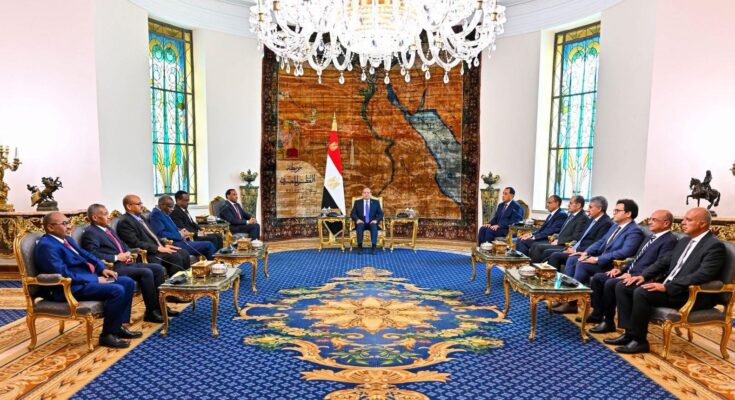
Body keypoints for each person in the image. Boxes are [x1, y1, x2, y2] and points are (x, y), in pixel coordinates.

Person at [605, 208, 726, 354]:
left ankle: (639, 341)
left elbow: (703, 275)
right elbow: (663, 262)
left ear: (702, 223)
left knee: (641, 293)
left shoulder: (714, 246)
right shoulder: (684, 240)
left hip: (687, 293)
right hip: (669, 286)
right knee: (624, 286)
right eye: (684, 219)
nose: (683, 223)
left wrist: (667, 287)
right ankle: (629, 334)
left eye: (688, 220)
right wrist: (643, 276)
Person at [35, 212, 141, 349]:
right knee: (117, 290)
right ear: (50, 227)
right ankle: (107, 335)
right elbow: (62, 274)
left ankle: (117, 327)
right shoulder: (47, 246)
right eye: (65, 223)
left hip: (83, 281)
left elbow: (86, 254)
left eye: (68, 223)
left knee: (127, 282)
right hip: (67, 288)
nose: (69, 226)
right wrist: (95, 279)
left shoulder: (66, 239)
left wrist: (102, 269)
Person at [81, 203, 177, 323]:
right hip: (113, 267)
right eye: (105, 214)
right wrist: (116, 257)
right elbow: (92, 254)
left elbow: (122, 245)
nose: (109, 216)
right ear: (95, 217)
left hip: (126, 263)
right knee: (146, 272)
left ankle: (161, 307)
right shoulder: (91, 233)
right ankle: (151, 312)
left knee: (157, 268)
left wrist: (128, 253)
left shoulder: (108, 229)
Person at [586, 209, 677, 332]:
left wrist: (635, 275)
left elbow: (660, 265)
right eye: (650, 219)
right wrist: (621, 270)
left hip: (643, 277)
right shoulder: (650, 237)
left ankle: (611, 323)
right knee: (598, 278)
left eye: (654, 220)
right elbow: (636, 259)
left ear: (666, 223)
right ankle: (597, 314)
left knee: (611, 283)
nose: (649, 222)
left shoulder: (669, 241)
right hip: (630, 273)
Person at [553, 199, 644, 314]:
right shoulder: (615, 226)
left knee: (582, 264)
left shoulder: (634, 231)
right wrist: (586, 252)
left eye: (617, 210)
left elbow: (625, 252)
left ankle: (572, 303)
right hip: (602, 259)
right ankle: (564, 297)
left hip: (612, 265)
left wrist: (597, 259)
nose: (614, 213)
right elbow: (601, 241)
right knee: (573, 258)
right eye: (614, 210)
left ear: (628, 213)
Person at [116, 194, 191, 276]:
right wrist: (157, 248)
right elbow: (135, 243)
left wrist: (164, 244)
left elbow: (153, 235)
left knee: (184, 252)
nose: (142, 206)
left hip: (156, 248)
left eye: (141, 203)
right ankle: (175, 283)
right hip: (148, 253)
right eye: (139, 204)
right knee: (175, 256)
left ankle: (186, 280)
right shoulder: (125, 222)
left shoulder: (141, 217)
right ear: (129, 206)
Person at [545, 196, 612, 269]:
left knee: (555, 256)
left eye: (590, 207)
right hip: (575, 247)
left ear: (599, 209)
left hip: (585, 252)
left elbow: (596, 244)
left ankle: (555, 276)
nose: (588, 210)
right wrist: (572, 247)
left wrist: (576, 250)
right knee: (548, 253)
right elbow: (581, 238)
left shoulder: (606, 223)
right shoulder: (591, 219)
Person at [150, 195, 216, 260]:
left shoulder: (164, 212)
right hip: (175, 244)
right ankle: (214, 266)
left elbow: (172, 228)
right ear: (162, 205)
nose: (172, 209)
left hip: (182, 241)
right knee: (209, 245)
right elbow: (160, 234)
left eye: (172, 207)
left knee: (211, 242)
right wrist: (179, 235)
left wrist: (182, 231)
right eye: (170, 207)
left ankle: (207, 265)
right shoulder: (156, 215)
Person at [527, 195, 588, 262]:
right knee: (535, 245)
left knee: (539, 247)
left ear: (578, 205)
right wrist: (556, 236)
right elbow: (564, 231)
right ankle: (532, 266)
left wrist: (559, 241)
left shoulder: (582, 218)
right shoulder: (571, 215)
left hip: (566, 245)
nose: (568, 205)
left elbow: (576, 237)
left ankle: (538, 267)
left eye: (570, 203)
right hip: (559, 241)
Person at [350, 187, 384, 254]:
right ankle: (360, 246)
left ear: (370, 194)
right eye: (364, 192)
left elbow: (381, 214)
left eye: (368, 193)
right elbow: (352, 213)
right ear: (362, 194)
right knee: (360, 226)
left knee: (374, 226)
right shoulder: (357, 202)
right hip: (361, 221)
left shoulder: (376, 202)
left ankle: (374, 246)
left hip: (372, 221)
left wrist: (376, 220)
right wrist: (357, 220)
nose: (366, 194)